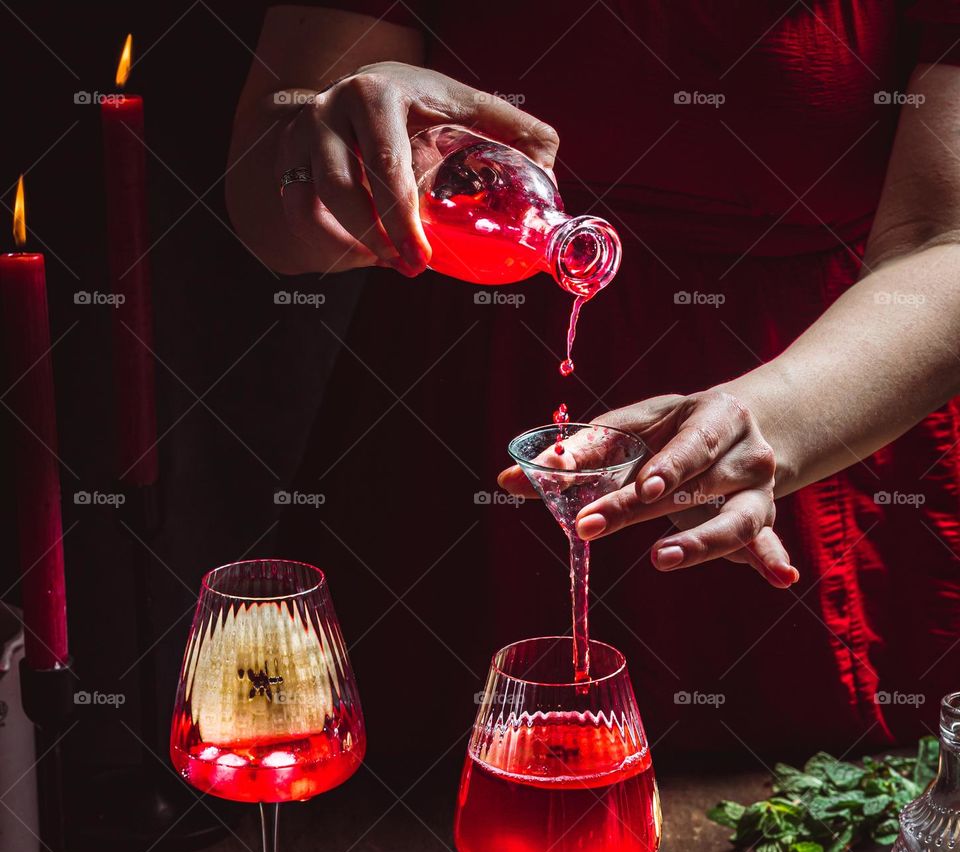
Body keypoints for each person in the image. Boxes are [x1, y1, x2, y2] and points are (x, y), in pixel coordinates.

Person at [226, 3, 960, 762]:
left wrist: (769, 420)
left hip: (829, 406)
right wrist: (320, 146)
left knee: (807, 802)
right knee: (413, 802)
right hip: (456, 446)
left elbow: (948, 240)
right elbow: (267, 211)